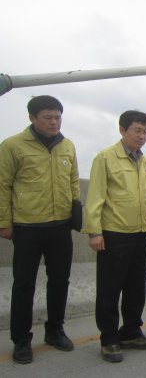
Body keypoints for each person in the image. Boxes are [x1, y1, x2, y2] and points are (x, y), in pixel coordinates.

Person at [0, 95, 80, 364]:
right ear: (32, 118)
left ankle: (55, 330)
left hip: (61, 226)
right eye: (48, 117)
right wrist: (4, 222)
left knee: (60, 281)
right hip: (27, 227)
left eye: (58, 117)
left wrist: (75, 212)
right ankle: (21, 340)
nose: (54, 122)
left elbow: (73, 183)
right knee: (24, 284)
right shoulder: (12, 146)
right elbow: (2, 186)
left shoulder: (67, 145)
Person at [82, 110, 146, 363]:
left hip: (139, 233)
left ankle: (131, 332)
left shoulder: (143, 160)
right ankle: (109, 338)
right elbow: (94, 198)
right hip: (114, 234)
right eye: (137, 130)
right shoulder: (105, 158)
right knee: (110, 289)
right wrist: (94, 232)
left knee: (136, 287)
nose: (142, 136)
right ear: (122, 130)